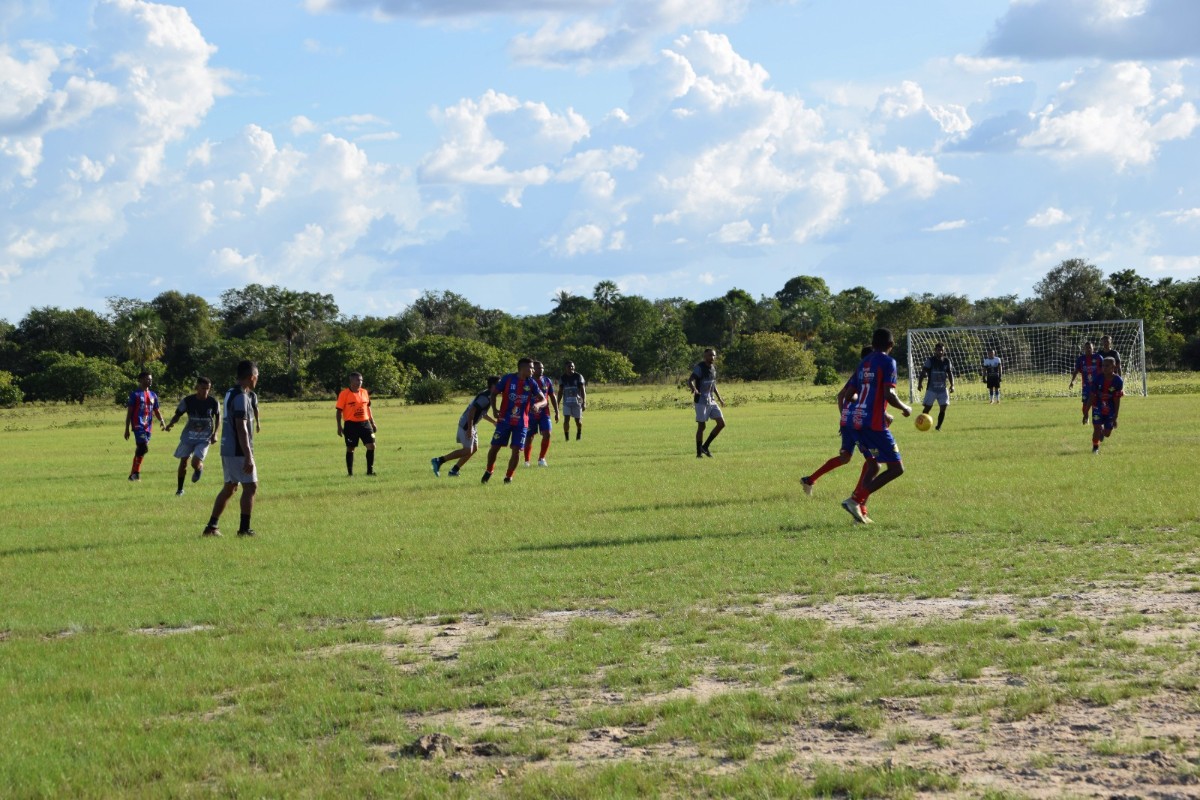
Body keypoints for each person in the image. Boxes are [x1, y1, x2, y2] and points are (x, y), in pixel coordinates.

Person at [842, 328, 912, 524]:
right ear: (891, 345)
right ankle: (855, 500)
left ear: (872, 344)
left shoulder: (863, 362)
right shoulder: (888, 362)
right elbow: (889, 394)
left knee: (873, 465)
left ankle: (859, 514)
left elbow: (849, 395)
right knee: (897, 469)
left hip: (858, 422)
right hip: (875, 425)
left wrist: (863, 403)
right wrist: (905, 408)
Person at [800, 346, 874, 496]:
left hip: (848, 421)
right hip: (857, 423)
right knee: (873, 458)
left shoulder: (858, 374)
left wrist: (844, 416)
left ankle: (810, 480)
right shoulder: (867, 375)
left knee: (845, 458)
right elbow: (848, 396)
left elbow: (841, 396)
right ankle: (857, 494)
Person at [202, 360, 259, 538]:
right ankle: (244, 529)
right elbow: (241, 427)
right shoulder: (241, 396)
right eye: (256, 377)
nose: (257, 380)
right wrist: (248, 455)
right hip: (238, 450)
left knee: (230, 487)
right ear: (251, 377)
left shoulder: (230, 392)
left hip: (228, 448)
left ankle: (211, 527)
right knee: (250, 487)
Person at [481, 358, 546, 484]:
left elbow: (544, 400)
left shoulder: (531, 383)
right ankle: (489, 470)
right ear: (522, 368)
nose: (533, 370)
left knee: (516, 450)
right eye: (531, 368)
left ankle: (508, 477)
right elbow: (494, 394)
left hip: (521, 423)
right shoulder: (508, 379)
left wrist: (538, 405)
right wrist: (494, 410)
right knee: (494, 447)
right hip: (504, 420)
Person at [432, 376, 498, 477]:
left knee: (474, 448)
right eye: (500, 384)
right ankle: (439, 460)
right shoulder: (486, 397)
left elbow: (482, 413)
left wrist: (493, 422)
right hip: (467, 424)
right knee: (467, 450)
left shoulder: (488, 394)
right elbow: (472, 411)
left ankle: (454, 470)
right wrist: (470, 428)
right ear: (493, 385)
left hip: (471, 424)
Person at [164, 377, 220, 496]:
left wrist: (215, 433)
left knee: (195, 462)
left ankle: (198, 468)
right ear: (197, 388)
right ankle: (180, 490)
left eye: (207, 389)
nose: (205, 391)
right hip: (189, 435)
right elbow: (178, 414)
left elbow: (218, 417)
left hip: (205, 436)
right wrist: (170, 424)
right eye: (203, 388)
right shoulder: (188, 401)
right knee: (183, 461)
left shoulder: (213, 402)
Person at [124, 371, 167, 482]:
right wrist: (127, 429)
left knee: (141, 450)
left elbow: (156, 410)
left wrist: (162, 420)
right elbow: (129, 412)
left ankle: (133, 475)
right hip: (138, 424)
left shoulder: (153, 395)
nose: (150, 381)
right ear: (141, 380)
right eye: (148, 379)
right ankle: (136, 473)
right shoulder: (135, 395)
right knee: (143, 447)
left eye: (151, 379)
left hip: (148, 426)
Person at [336, 372, 377, 476]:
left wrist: (372, 422)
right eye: (358, 380)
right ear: (351, 381)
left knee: (371, 446)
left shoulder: (364, 392)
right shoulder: (344, 394)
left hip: (365, 423)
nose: (360, 382)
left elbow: (368, 407)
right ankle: (350, 474)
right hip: (351, 425)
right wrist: (339, 426)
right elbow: (339, 411)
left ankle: (370, 472)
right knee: (351, 448)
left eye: (361, 380)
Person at [688, 348, 725, 458]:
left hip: (711, 400)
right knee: (702, 427)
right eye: (710, 355)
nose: (712, 357)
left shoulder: (713, 368)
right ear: (705, 356)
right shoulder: (700, 367)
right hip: (701, 401)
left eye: (713, 355)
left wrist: (720, 399)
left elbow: (713, 386)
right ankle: (699, 454)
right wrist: (694, 389)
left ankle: (705, 446)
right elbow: (690, 380)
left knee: (721, 423)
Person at [523, 360, 559, 467]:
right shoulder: (527, 381)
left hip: (544, 413)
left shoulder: (547, 381)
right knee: (529, 437)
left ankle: (541, 458)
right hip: (530, 414)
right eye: (539, 368)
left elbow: (552, 396)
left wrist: (557, 411)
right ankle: (527, 461)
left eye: (542, 368)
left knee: (547, 434)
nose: (541, 370)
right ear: (533, 370)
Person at [916, 342, 955, 430]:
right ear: (935, 350)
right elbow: (923, 372)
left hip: (942, 389)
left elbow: (950, 373)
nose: (940, 352)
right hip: (931, 389)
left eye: (942, 350)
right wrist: (919, 383)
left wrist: (952, 385)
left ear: (944, 351)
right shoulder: (930, 360)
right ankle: (921, 424)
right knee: (927, 409)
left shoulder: (946, 361)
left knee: (943, 408)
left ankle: (938, 427)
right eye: (938, 350)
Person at [1090, 357, 1123, 454]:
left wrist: (1116, 416)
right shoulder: (1097, 378)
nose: (1104, 368)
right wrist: (1086, 411)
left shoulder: (1118, 381)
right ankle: (1095, 447)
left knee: (1107, 434)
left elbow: (1117, 399)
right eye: (1103, 365)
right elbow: (1092, 395)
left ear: (1113, 367)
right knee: (1096, 428)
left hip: (1110, 409)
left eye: (1107, 366)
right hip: (1097, 406)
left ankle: (1103, 431)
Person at [1069, 341, 1105, 425]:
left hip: (1097, 386)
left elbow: (1104, 369)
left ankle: (1098, 420)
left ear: (1093, 348)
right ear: (1084, 349)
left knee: (1097, 404)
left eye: (1090, 348)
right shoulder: (1081, 359)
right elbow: (1076, 371)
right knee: (1085, 404)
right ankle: (1086, 417)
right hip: (1086, 386)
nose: (1088, 349)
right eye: (1086, 348)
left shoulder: (1098, 357)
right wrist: (1072, 382)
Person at [558, 361, 587, 441]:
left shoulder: (578, 376)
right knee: (566, 420)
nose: (571, 368)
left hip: (577, 402)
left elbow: (582, 390)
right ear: (565, 368)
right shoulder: (562, 377)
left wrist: (584, 402)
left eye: (572, 366)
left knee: (578, 421)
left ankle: (579, 433)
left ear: (574, 367)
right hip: (566, 403)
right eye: (569, 366)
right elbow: (560, 391)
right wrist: (557, 403)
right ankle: (567, 438)